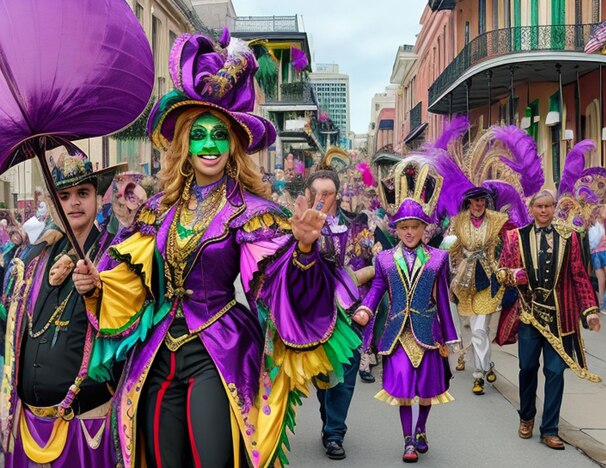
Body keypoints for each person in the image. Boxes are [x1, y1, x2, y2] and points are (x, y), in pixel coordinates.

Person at [73, 31, 360, 468]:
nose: (210, 145)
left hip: (218, 350)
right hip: (157, 355)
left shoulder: (252, 212)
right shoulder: (156, 210)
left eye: (220, 135)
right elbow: (127, 279)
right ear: (185, 143)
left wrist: (302, 250)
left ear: (234, 145)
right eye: (200, 135)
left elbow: (273, 283)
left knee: (214, 456)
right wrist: (95, 283)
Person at [0, 147, 123, 467]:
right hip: (27, 426)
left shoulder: (117, 257)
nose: (75, 202)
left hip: (87, 429)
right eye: (64, 195)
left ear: (98, 198)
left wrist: (102, 289)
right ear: (54, 203)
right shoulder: (32, 259)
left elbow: (130, 332)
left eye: (83, 192)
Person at [354, 192, 458, 464]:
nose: (410, 232)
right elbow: (377, 289)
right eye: (404, 227)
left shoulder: (438, 259)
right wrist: (366, 308)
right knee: (402, 390)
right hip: (397, 334)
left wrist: (448, 336)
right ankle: (407, 440)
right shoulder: (384, 259)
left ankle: (421, 429)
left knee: (426, 390)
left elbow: (443, 298)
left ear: (424, 228)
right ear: (397, 229)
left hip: (428, 333)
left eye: (415, 227)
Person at [497, 189, 601, 450]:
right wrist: (513, 275)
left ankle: (550, 429)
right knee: (527, 369)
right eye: (539, 206)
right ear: (531, 208)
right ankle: (526, 417)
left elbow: (579, 275)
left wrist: (590, 310)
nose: (544, 211)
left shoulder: (569, 238)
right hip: (529, 316)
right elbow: (500, 271)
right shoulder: (515, 237)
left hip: (561, 318)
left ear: (554, 208)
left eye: (548, 206)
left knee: (555, 372)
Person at [306, 167, 377, 460]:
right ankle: (328, 419)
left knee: (346, 376)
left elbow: (377, 267)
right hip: (313, 316)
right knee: (323, 377)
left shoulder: (358, 225)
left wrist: (363, 296)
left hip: (349, 314)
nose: (321, 199)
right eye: (316, 193)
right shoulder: (298, 228)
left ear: (337, 195)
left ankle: (335, 433)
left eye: (327, 193)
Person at [449, 188, 509, 395]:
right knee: (477, 330)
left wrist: (502, 267)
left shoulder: (497, 220)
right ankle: (487, 365)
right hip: (466, 281)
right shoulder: (458, 222)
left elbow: (506, 246)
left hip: (488, 279)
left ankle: (478, 374)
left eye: (482, 200)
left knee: (480, 330)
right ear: (468, 202)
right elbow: (450, 247)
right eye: (475, 200)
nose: (479, 204)